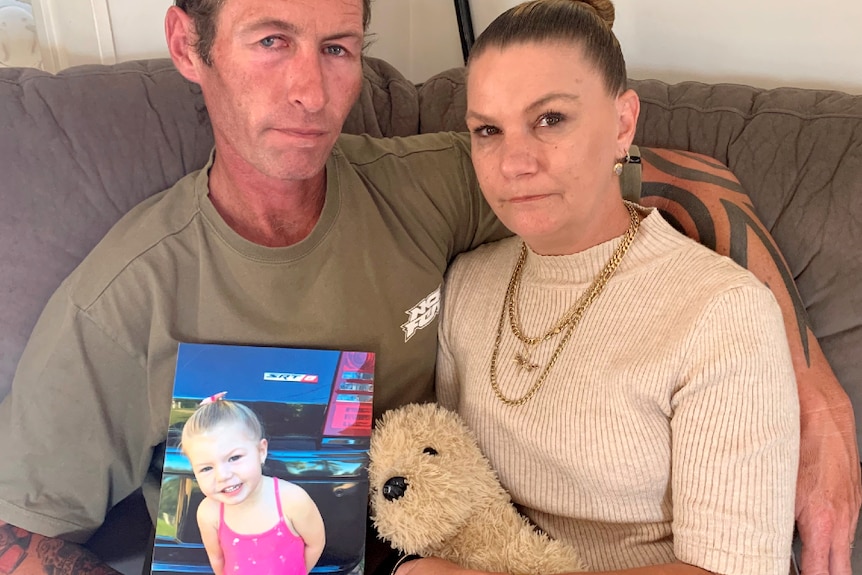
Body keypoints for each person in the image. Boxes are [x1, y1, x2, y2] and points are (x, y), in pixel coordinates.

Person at [0, 0, 856, 573]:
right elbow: (18, 535)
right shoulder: (118, 303)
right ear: (189, 45)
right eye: (271, 40)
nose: (309, 91)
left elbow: (684, 176)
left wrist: (813, 389)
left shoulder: (439, 184)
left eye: (337, 48)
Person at [431, 0, 799, 574]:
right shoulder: (466, 285)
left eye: (551, 119)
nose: (515, 162)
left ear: (623, 123)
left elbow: (734, 569)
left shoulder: (723, 312)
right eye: (488, 131)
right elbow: (446, 490)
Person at [180, 394, 325, 575]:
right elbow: (217, 559)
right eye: (206, 468)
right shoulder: (209, 513)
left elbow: (316, 544)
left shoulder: (293, 501)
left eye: (234, 458)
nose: (222, 476)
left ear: (261, 451)